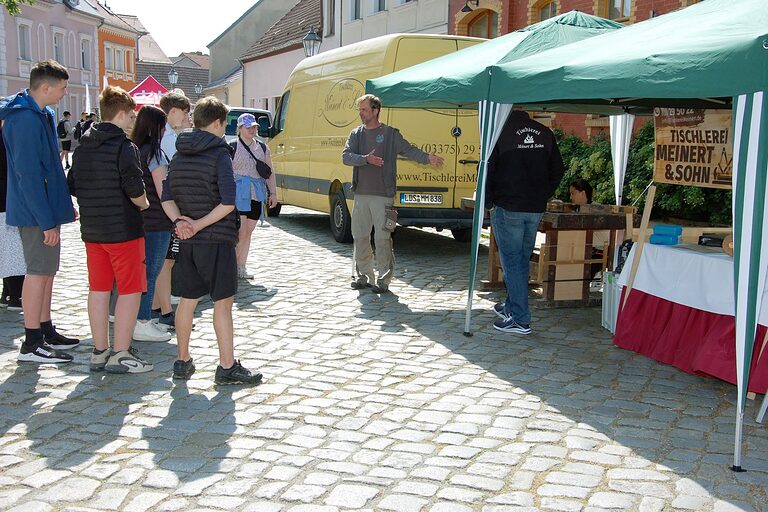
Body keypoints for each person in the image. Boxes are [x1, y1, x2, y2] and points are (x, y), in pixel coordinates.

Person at [161, 96, 262, 386]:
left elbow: (166, 197)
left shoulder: (179, 154)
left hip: (188, 242)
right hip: (216, 241)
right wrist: (197, 224)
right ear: (217, 123)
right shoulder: (219, 154)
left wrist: (181, 223)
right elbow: (229, 202)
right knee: (223, 303)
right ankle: (226, 366)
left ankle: (182, 361)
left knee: (187, 302)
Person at [68, 86, 153, 373]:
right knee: (130, 290)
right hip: (124, 230)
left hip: (93, 231)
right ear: (120, 114)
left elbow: (72, 184)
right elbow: (135, 190)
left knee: (99, 289)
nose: (133, 120)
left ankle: (100, 349)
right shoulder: (124, 147)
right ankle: (121, 352)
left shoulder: (82, 147)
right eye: (131, 114)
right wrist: (144, 204)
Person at [0, 60, 79, 363]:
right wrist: (46, 219)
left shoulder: (40, 114)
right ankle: (31, 341)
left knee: (47, 271)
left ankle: (45, 329)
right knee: (36, 272)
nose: (63, 93)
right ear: (45, 87)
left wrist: (60, 205)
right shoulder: (23, 119)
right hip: (35, 211)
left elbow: (51, 169)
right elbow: (28, 175)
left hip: (44, 208)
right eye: (61, 88)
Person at [342, 94, 444, 293]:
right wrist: (366, 159)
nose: (361, 113)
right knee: (360, 235)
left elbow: (408, 150)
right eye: (360, 110)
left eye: (364, 109)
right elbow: (346, 157)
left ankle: (383, 278)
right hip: (361, 195)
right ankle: (364, 275)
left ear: (375, 110)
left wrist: (427, 158)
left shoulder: (390, 134)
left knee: (383, 238)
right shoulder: (356, 134)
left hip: (384, 196)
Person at [486, 108, 564, 335]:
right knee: (521, 260)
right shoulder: (545, 133)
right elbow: (558, 169)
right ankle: (512, 306)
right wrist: (543, 194)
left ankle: (520, 318)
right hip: (534, 208)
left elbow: (487, 170)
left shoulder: (499, 134)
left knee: (512, 262)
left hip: (508, 206)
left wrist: (488, 202)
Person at [130, 105, 173, 342]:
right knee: (150, 272)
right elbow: (163, 191)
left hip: (139, 219)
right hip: (157, 219)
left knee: (143, 271)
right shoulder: (155, 154)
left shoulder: (134, 149)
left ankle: (143, 318)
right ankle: (143, 321)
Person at [153, 92, 192, 329]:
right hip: (166, 208)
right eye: (186, 113)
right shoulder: (167, 138)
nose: (187, 118)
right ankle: (164, 311)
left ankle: (160, 306)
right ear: (174, 111)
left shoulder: (165, 134)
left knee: (165, 261)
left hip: (164, 207)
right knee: (165, 262)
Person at [230, 113, 277, 279]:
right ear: (240, 128)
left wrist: (273, 193)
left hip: (256, 193)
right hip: (239, 192)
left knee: (249, 232)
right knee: (240, 231)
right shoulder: (232, 146)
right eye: (248, 127)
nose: (252, 130)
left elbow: (270, 172)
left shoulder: (263, 147)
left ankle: (241, 266)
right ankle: (233, 266)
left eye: (254, 127)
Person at [0, 112, 25, 311]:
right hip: (7, 200)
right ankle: (15, 295)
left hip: (6, 200)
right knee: (13, 250)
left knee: (6, 249)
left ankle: (7, 293)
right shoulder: (7, 137)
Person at [569, 178, 608, 278]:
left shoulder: (595, 209)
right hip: (586, 250)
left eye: (573, 193)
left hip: (598, 252)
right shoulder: (581, 209)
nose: (571, 197)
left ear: (582, 193)